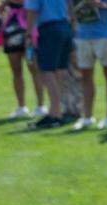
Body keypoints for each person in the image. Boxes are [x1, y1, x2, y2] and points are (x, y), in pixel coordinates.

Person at [24, 0, 71, 129]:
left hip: (49, 28)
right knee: (59, 70)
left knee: (47, 71)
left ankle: (55, 115)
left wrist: (28, 34)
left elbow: (32, 11)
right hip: (64, 25)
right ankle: (56, 111)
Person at [70, 0, 107, 131]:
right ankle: (87, 117)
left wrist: (101, 5)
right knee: (85, 76)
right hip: (82, 34)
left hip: (105, 33)